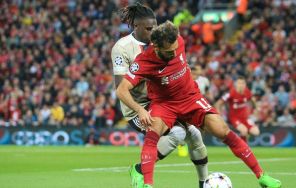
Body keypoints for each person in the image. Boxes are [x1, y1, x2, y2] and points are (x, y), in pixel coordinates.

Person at [116, 21, 282, 188]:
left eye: (175, 48)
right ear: (156, 47)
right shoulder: (144, 61)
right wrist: (140, 110)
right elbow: (121, 90)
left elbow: (175, 31)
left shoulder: (178, 40)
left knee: (222, 130)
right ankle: (147, 184)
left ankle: (262, 176)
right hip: (164, 104)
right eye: (169, 51)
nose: (175, 53)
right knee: (153, 133)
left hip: (190, 98)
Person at [111, 4, 208, 188]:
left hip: (165, 102)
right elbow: (120, 87)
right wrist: (152, 78)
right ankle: (139, 169)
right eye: (148, 29)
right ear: (136, 27)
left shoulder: (161, 41)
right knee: (179, 133)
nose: (152, 32)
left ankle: (204, 183)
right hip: (139, 107)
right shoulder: (122, 48)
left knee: (194, 134)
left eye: (154, 27)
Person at [214, 76, 260, 142]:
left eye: (243, 83)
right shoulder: (231, 93)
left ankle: (241, 139)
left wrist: (256, 109)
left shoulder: (247, 92)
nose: (241, 85)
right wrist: (219, 115)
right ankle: (244, 149)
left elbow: (253, 100)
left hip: (245, 118)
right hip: (234, 118)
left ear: (245, 84)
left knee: (256, 132)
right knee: (244, 131)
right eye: (239, 83)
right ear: (236, 84)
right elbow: (218, 103)